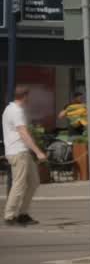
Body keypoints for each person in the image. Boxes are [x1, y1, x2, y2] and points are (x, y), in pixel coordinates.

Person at [4, 86, 48, 226]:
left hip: (22, 151)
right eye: (29, 96)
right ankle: (10, 216)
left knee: (34, 182)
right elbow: (23, 133)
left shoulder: (11, 109)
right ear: (25, 96)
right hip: (18, 152)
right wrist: (38, 152)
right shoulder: (16, 111)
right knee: (19, 184)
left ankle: (23, 213)